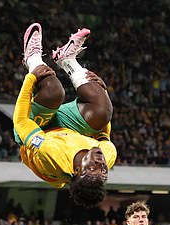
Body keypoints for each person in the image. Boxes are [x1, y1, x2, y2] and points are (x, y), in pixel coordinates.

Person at [14, 23, 116, 207]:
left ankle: (32, 58)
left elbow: (21, 122)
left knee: (54, 93)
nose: (100, 164)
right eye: (103, 172)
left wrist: (31, 78)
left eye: (92, 168)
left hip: (38, 130)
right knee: (103, 112)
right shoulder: (107, 156)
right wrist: (102, 92)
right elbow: (103, 132)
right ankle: (67, 60)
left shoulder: (51, 153)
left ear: (77, 171)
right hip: (70, 129)